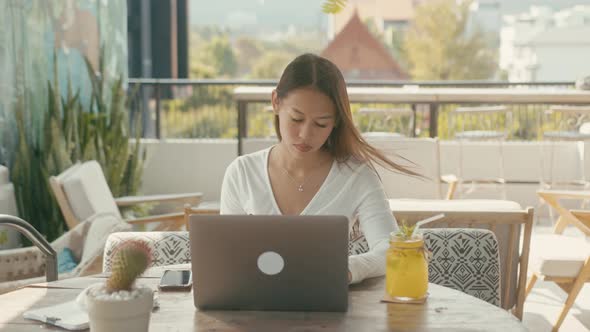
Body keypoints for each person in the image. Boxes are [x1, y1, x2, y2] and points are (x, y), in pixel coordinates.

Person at [220, 53, 420, 284]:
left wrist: (346, 268)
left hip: (330, 313)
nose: (305, 134)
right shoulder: (242, 173)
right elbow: (227, 254)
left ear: (336, 121)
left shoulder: (357, 176)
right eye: (296, 119)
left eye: (321, 123)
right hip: (253, 309)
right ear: (275, 102)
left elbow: (389, 248)